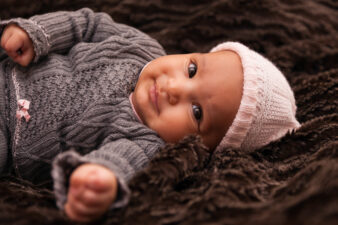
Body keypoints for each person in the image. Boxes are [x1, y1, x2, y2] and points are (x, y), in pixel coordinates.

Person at [0, 8, 300, 222]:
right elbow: (88, 24)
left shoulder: (146, 141)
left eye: (196, 112)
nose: (175, 89)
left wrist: (99, 178)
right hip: (10, 65)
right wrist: (36, 33)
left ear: (202, 146)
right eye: (192, 70)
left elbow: (118, 162)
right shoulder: (142, 47)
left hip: (9, 137)